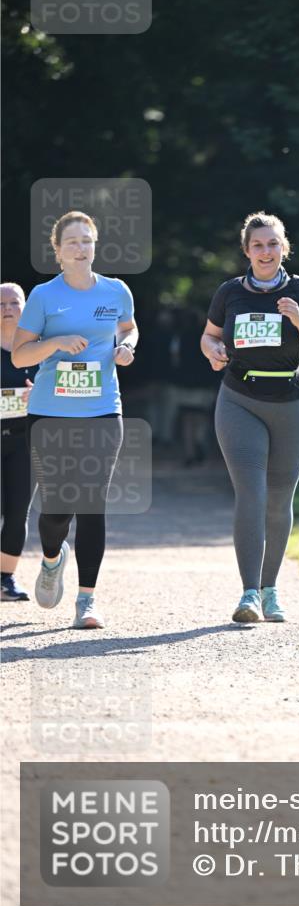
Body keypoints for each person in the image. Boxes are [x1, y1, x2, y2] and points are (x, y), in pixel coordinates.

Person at [201, 211, 299, 623]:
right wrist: (211, 349)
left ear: (284, 248)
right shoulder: (229, 292)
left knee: (278, 501)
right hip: (239, 399)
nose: (266, 251)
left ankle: (270, 589)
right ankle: (248, 595)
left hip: (292, 404)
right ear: (247, 251)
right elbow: (209, 334)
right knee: (252, 493)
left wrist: (297, 317)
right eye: (258, 245)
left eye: (273, 244)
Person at [12, 210, 138, 629]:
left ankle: (87, 600)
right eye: (72, 242)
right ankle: (52, 559)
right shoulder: (44, 296)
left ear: (95, 245)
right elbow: (19, 354)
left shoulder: (116, 290)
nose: (81, 248)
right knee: (55, 511)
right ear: (58, 252)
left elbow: (130, 328)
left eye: (87, 240)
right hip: (50, 414)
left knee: (92, 503)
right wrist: (55, 342)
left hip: (103, 410)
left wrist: (126, 348)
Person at [1, 283, 38, 602]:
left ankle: (5, 580)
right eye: (0, 303)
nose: (7, 308)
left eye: (14, 302)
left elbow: (58, 388)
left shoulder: (38, 349)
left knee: (17, 512)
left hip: (26, 440)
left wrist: (38, 390)